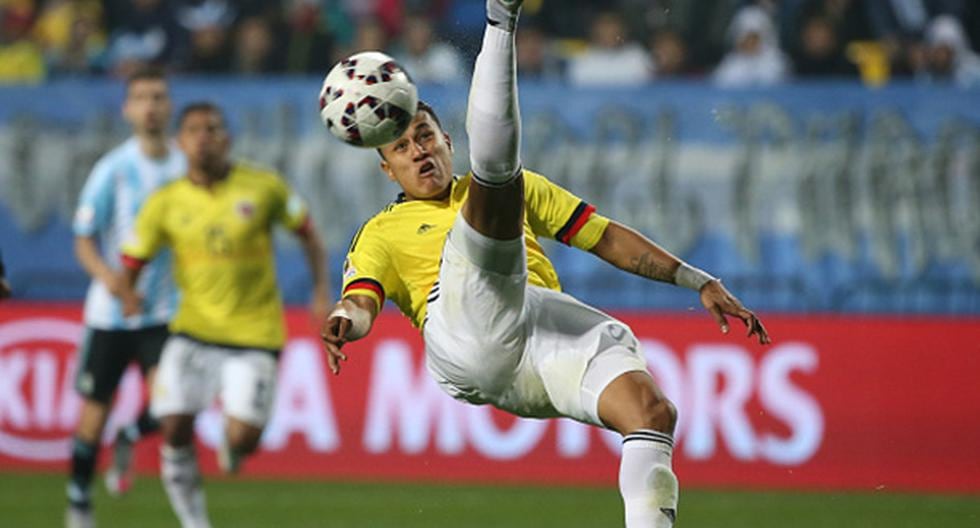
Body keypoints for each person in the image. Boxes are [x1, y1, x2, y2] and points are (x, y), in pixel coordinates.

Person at [321, 2, 770, 527]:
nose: (419, 151)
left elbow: (602, 237)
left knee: (652, 413)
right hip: (465, 332)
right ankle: (501, 18)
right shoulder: (381, 231)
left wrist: (698, 279)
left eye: (425, 136)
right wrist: (344, 324)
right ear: (387, 168)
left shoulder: (513, 191)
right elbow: (361, 302)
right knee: (497, 185)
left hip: (537, 334)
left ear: (446, 141)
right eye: (402, 147)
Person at [118, 101, 329, 528]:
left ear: (227, 138)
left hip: (254, 336)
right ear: (180, 142)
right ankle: (195, 522)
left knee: (244, 438)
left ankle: (236, 447)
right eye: (194, 130)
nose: (203, 137)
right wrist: (128, 295)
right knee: (173, 425)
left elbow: (307, 234)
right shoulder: (165, 203)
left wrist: (321, 291)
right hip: (192, 332)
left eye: (213, 128)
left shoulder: (263, 186)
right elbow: (132, 261)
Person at [66, 66, 186, 528]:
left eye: (158, 96)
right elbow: (83, 238)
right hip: (111, 315)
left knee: (171, 408)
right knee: (91, 421)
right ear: (128, 108)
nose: (151, 106)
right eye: (142, 98)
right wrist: (113, 280)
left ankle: (130, 435)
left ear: (169, 105)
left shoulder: (184, 168)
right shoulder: (113, 169)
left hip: (165, 313)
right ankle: (78, 500)